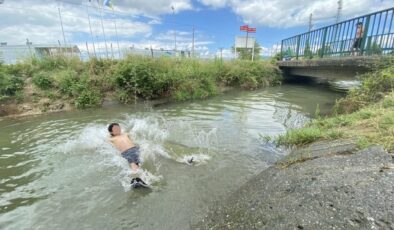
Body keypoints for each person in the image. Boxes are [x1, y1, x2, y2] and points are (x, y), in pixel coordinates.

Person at [108, 123, 147, 188]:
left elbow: (132, 134)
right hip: (126, 151)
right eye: (115, 129)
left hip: (135, 149)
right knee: (133, 164)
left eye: (118, 127)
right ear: (111, 132)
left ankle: (137, 180)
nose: (118, 129)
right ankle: (136, 179)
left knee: (138, 164)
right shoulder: (111, 139)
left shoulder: (125, 134)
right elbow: (107, 144)